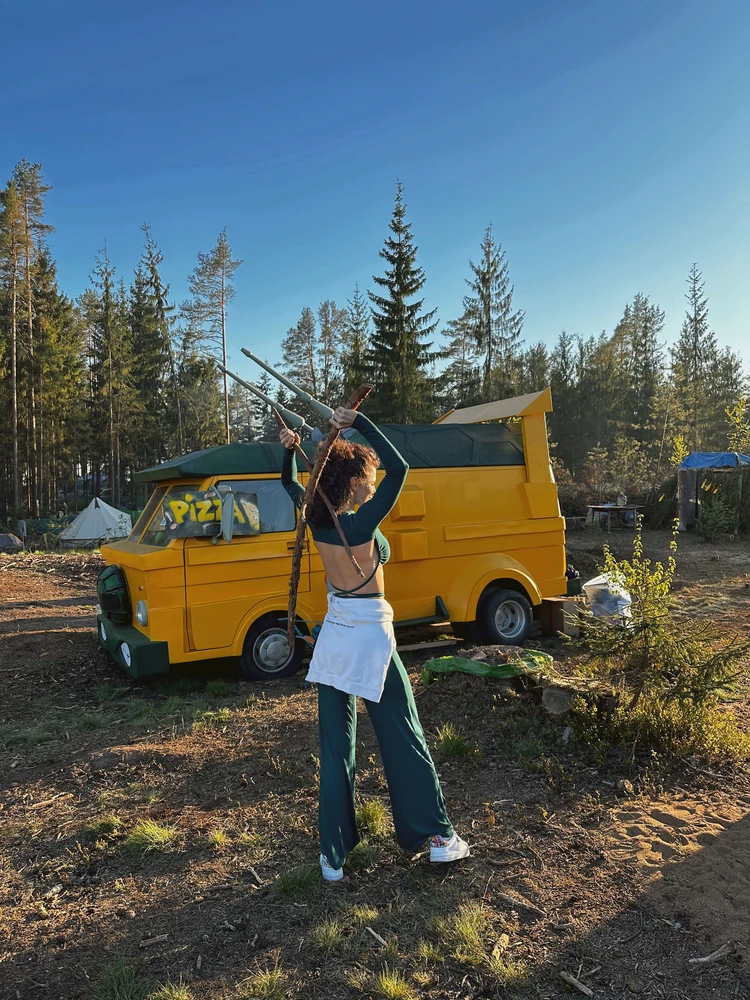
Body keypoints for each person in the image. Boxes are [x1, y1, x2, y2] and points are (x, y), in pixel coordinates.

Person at [281, 406, 469, 882]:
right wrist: (357, 425)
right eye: (367, 475)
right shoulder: (361, 522)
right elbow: (401, 466)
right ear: (350, 483)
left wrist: (290, 456)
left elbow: (291, 486)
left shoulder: (317, 519)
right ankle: (437, 837)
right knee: (403, 733)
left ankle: (332, 856)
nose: (375, 478)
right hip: (369, 637)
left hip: (334, 635)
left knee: (335, 744)